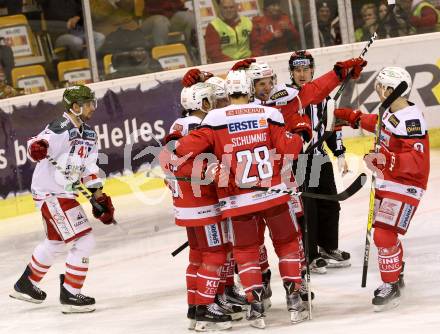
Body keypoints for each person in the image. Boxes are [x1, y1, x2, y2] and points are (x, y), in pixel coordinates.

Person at [171, 69, 313, 328]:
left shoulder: (213, 118)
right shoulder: (268, 113)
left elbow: (180, 150)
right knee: (288, 243)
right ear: (249, 89)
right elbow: (289, 148)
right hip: (273, 194)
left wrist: (211, 169)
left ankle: (256, 307)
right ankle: (294, 300)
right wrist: (302, 133)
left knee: (246, 251)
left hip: (237, 201)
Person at [9, 85, 115, 314]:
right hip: (52, 193)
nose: (92, 107)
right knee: (85, 241)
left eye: (93, 102)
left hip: (63, 193)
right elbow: (37, 142)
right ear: (75, 107)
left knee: (55, 242)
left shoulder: (89, 134)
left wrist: (99, 196)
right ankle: (70, 292)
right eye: (88, 103)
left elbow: (89, 168)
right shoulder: (62, 127)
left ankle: (26, 284)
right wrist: (37, 148)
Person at [335, 66, 430, 311]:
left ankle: (391, 285)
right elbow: (380, 125)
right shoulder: (392, 110)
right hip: (389, 179)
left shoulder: (411, 119)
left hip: (407, 184)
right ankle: (396, 272)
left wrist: (387, 160)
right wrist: (354, 117)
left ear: (391, 88)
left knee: (383, 234)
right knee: (386, 233)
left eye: (380, 86)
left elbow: (418, 162)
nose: (377, 90)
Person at [160, 82, 239, 331]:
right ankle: (205, 306)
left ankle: (195, 307)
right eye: (210, 100)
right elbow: (196, 165)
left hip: (184, 204)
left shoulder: (179, 124)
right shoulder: (199, 128)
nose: (214, 104)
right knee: (215, 253)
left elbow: (168, 161)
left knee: (197, 256)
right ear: (202, 103)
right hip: (202, 203)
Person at [288, 50, 352, 274]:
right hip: (302, 161)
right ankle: (310, 254)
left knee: (330, 203)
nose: (302, 74)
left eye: (306, 69)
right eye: (297, 70)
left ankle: (327, 247)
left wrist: (340, 153)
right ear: (292, 73)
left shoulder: (324, 99)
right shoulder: (289, 98)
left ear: (313, 70)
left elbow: (332, 127)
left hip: (320, 157)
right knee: (309, 208)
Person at [37, 0, 105, 59]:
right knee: (77, 42)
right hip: (59, 34)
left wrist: (77, 18)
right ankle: (79, 64)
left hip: (79, 31)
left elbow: (85, 12)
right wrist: (66, 24)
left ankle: (87, 63)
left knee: (99, 37)